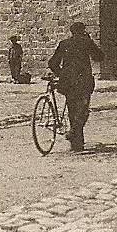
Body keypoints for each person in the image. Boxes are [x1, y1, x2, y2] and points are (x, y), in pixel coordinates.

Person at [48, 22, 103, 153]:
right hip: (83, 80)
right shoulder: (86, 42)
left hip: (68, 82)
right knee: (83, 110)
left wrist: (61, 74)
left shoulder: (64, 43)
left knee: (72, 110)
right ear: (83, 31)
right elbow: (100, 57)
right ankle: (74, 133)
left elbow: (52, 63)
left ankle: (77, 145)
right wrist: (90, 41)